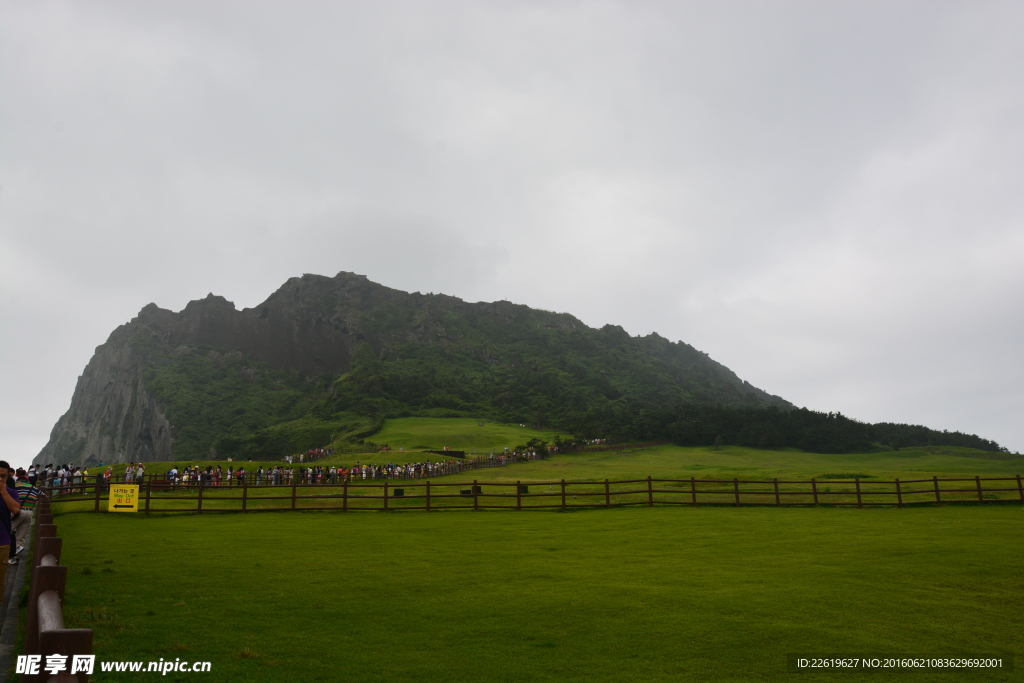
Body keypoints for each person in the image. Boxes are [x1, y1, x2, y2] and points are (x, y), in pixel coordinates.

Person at [11, 468, 42, 565]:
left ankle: (5, 553)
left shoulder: (16, 486)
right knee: (21, 536)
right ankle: (15, 558)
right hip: (29, 513)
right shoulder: (34, 488)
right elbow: (43, 495)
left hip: (18, 511)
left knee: (5, 531)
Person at [0, 462, 22, 585]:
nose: (0, 479)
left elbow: (15, 510)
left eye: (3, 476)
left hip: (2, 542)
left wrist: (3, 492)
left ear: (8, 477)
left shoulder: (11, 492)